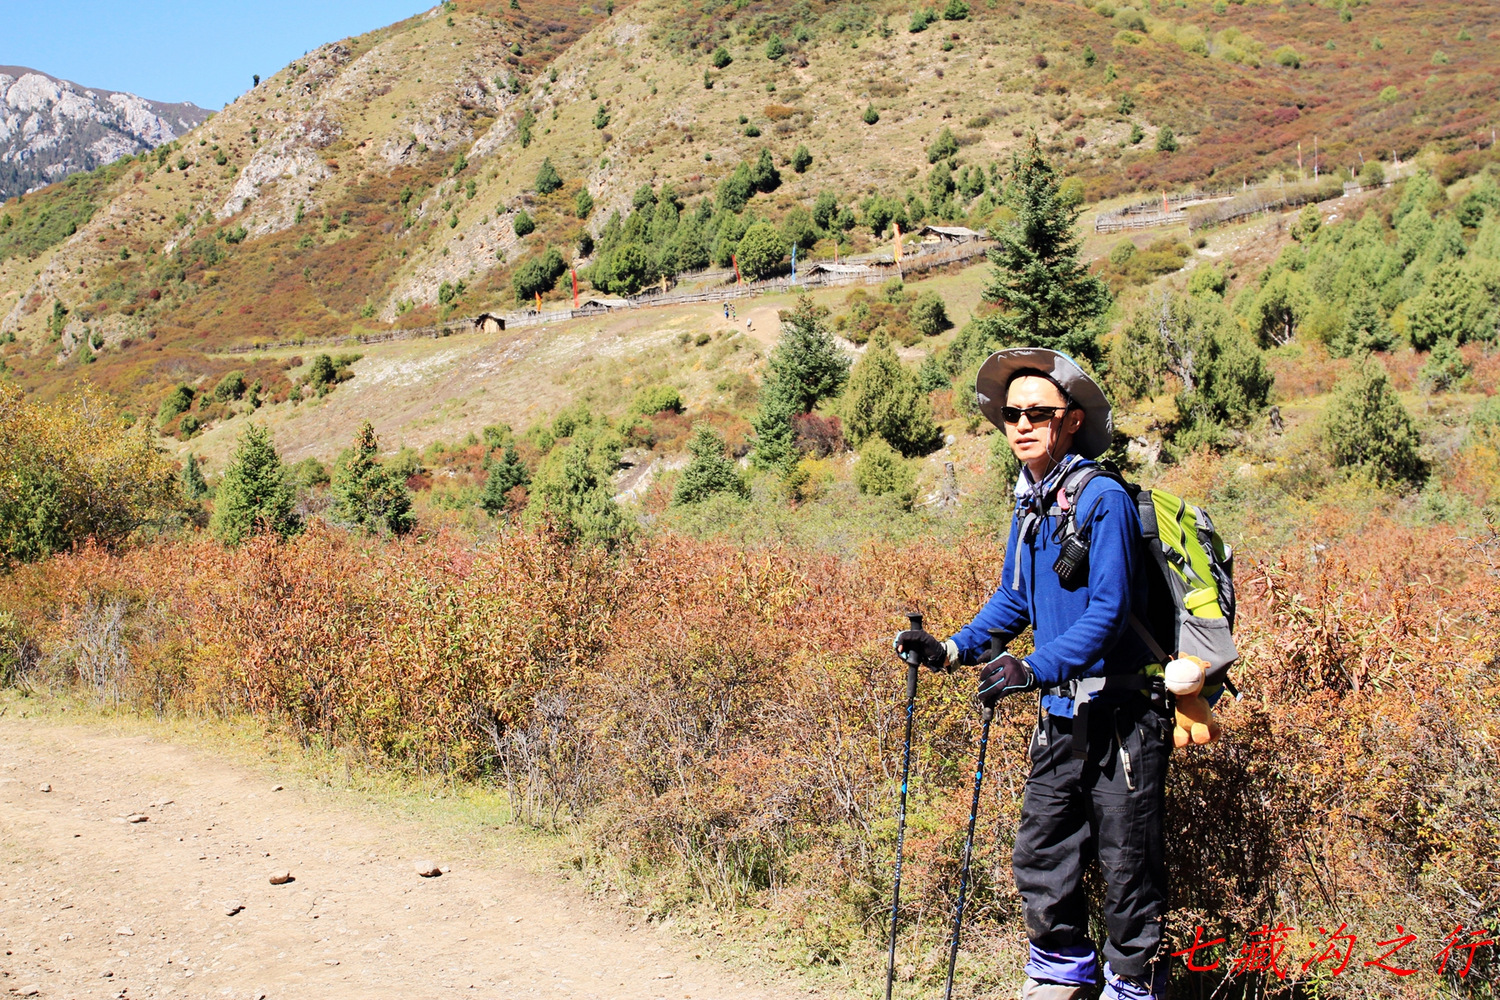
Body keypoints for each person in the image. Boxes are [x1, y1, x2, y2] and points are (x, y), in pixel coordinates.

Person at [895, 347, 1170, 1000]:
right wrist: (952, 650)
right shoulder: (1030, 503)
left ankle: (1133, 985)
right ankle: (1062, 971)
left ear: (1072, 420)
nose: (1021, 423)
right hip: (1062, 714)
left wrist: (1033, 666)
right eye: (1011, 413)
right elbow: (1014, 599)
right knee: (1042, 850)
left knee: (1127, 864)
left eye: (1037, 413)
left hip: (1124, 718)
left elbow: (1109, 612)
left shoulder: (1102, 499)